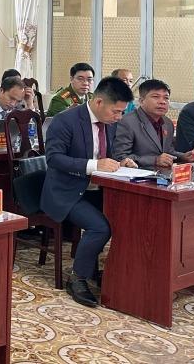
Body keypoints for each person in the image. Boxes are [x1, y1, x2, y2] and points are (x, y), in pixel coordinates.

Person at [41, 77, 135, 307]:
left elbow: (108, 154)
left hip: (97, 188)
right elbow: (54, 159)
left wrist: (121, 161)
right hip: (66, 190)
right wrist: (94, 165)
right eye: (116, 111)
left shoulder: (110, 123)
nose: (119, 117)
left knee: (128, 217)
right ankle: (78, 278)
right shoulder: (66, 120)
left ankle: (105, 270)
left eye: (122, 112)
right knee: (100, 227)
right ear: (99, 102)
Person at [113, 79, 194, 171]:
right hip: (136, 175)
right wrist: (154, 160)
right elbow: (120, 157)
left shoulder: (167, 123)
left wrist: (183, 156)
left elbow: (168, 151)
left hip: (161, 174)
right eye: (156, 97)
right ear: (141, 101)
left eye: (166, 98)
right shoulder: (127, 122)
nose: (162, 102)